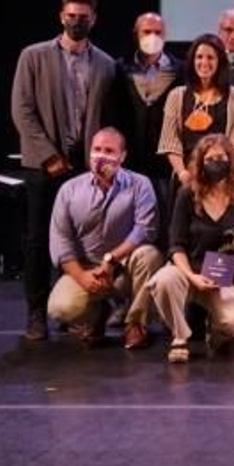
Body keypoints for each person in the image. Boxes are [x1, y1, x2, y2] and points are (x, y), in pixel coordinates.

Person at [12, 0, 115, 341]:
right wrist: (48, 156)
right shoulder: (34, 56)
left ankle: (76, 311)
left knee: (82, 240)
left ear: (94, 20)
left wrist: (98, 160)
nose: (76, 21)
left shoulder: (105, 63)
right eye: (71, 15)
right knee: (38, 240)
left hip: (86, 166)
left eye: (83, 16)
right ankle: (36, 313)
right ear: (61, 17)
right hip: (43, 165)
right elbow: (22, 111)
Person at [44, 128, 162, 348]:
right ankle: (96, 315)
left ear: (122, 156)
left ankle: (136, 324)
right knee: (59, 308)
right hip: (88, 268)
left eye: (109, 150)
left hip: (125, 268)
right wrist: (81, 277)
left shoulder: (140, 184)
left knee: (150, 255)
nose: (101, 155)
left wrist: (111, 260)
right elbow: (61, 241)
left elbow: (145, 229)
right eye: (97, 149)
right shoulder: (69, 190)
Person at [148, 134, 234, 363]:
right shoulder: (187, 194)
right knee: (162, 281)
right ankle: (179, 336)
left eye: (221, 157)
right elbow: (176, 244)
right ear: (200, 163)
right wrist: (191, 276)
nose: (216, 163)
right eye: (210, 159)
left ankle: (216, 330)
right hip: (187, 271)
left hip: (222, 278)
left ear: (231, 160)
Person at [113, 12, 181, 246]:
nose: (153, 37)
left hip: (164, 163)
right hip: (130, 161)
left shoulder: (179, 71)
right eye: (147, 32)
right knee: (129, 222)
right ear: (136, 34)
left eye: (158, 32)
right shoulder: (119, 70)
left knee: (164, 221)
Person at [158, 34, 234, 189]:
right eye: (199, 57)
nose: (204, 62)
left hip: (223, 179)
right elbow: (170, 143)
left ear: (220, 62)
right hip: (186, 180)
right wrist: (183, 174)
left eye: (210, 58)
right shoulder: (177, 95)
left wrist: (220, 172)